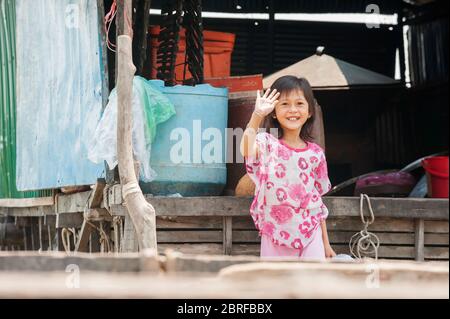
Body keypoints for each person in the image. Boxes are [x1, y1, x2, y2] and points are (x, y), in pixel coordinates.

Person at [240, 75, 336, 260]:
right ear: (274, 111)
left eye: (299, 103)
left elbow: (317, 202)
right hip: (274, 232)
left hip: (310, 233)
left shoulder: (316, 154)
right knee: (276, 286)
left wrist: (326, 244)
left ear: (309, 112)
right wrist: (257, 115)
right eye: (284, 104)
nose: (293, 110)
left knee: (313, 286)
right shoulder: (266, 143)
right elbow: (245, 149)